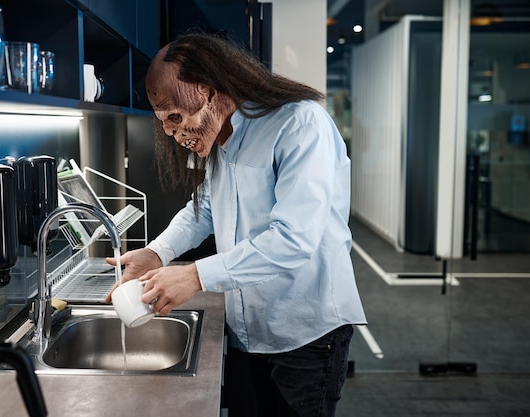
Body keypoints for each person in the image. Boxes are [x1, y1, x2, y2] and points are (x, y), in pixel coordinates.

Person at [104, 32, 367, 417]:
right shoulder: (220, 138)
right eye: (163, 121)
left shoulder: (298, 124)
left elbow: (294, 239)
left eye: (176, 116)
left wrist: (195, 276)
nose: (172, 133)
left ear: (211, 89)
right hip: (248, 330)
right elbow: (206, 209)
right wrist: (156, 252)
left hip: (306, 333)